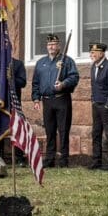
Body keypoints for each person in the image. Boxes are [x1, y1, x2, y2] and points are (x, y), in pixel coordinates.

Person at [32, 34, 79, 167]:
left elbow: (74, 77)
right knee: (49, 130)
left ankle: (64, 159)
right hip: (47, 101)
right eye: (49, 45)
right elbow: (36, 82)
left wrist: (63, 84)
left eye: (53, 44)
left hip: (61, 99)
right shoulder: (41, 62)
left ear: (59, 46)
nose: (51, 47)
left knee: (63, 130)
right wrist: (36, 99)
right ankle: (50, 159)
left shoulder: (66, 61)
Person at [88, 42, 108, 172]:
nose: (92, 55)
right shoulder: (93, 67)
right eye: (91, 53)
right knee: (96, 134)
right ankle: (96, 161)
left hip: (107, 108)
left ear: (102, 53)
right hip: (96, 106)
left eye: (94, 52)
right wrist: (93, 101)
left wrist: (107, 105)